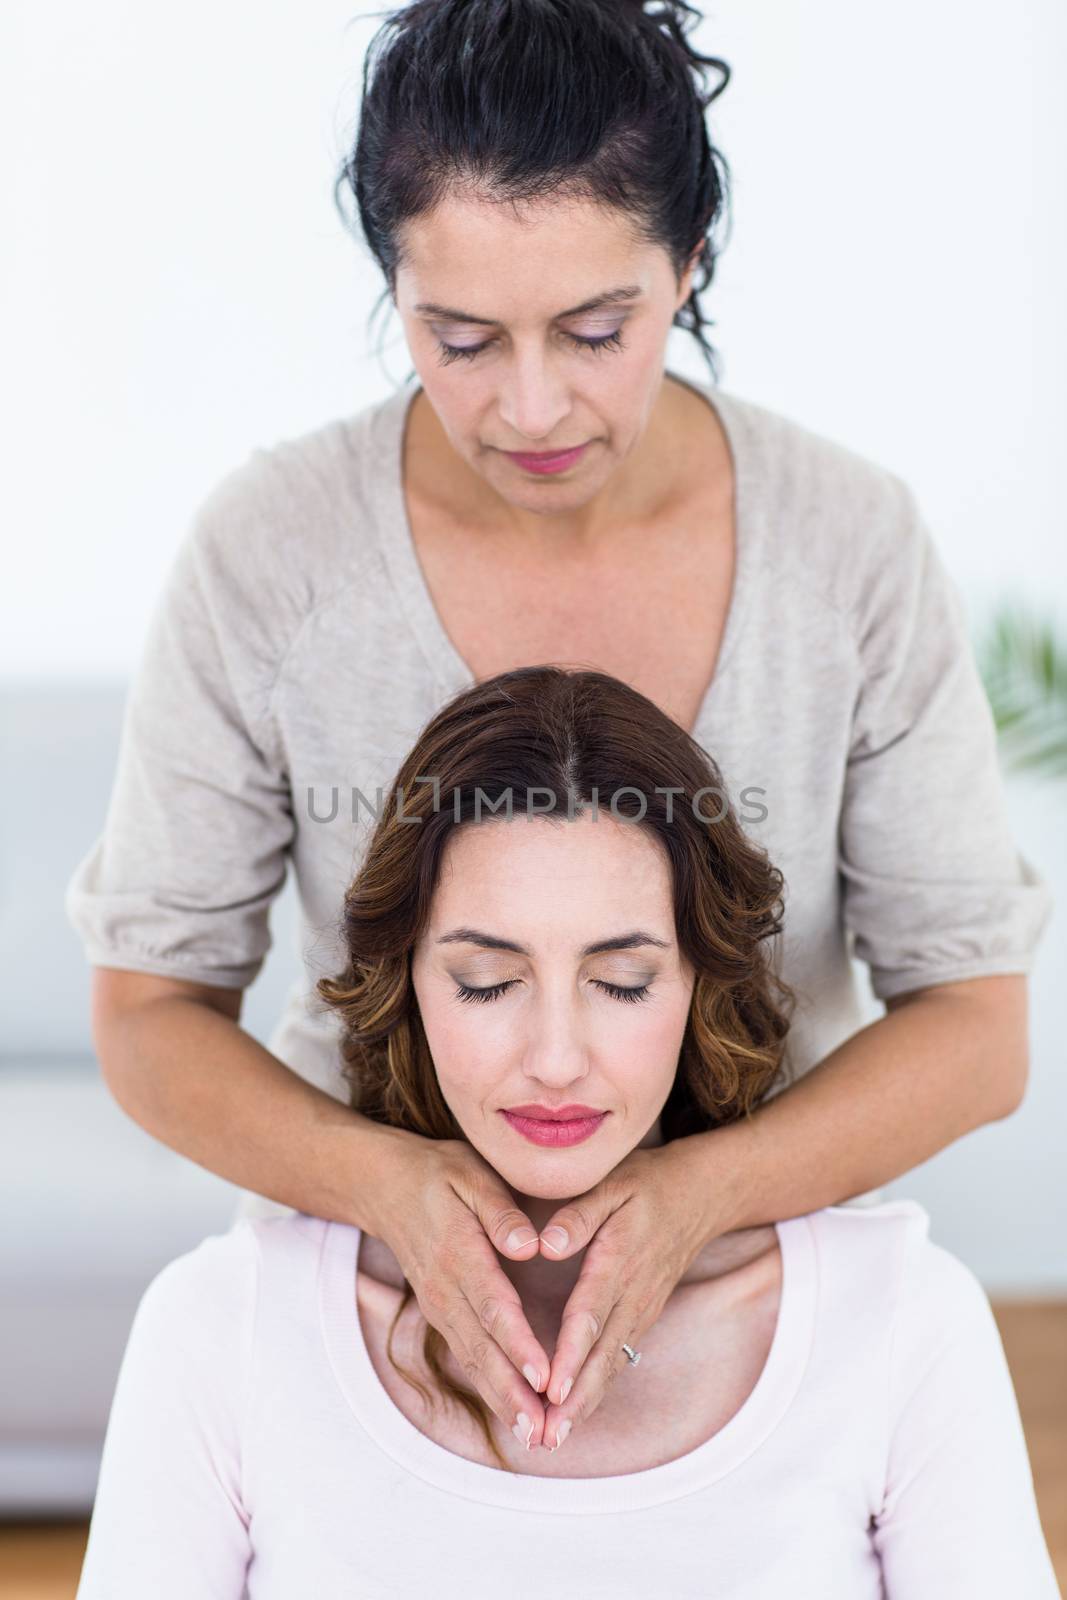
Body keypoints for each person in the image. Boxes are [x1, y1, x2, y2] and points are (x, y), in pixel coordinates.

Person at [66, 0, 1053, 1447]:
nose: (530, 406)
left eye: (597, 329)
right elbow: (151, 1012)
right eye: (457, 337)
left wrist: (697, 1197)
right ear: (388, 286)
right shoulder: (269, 552)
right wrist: (389, 1188)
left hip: (755, 1306)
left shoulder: (843, 545)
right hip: (368, 1315)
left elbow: (973, 1024)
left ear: (688, 265)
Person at [73, 668, 1059, 1598]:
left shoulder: (899, 1321)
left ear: (693, 985)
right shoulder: (219, 1329)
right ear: (406, 981)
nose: (554, 1056)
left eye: (621, 981)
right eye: (486, 980)